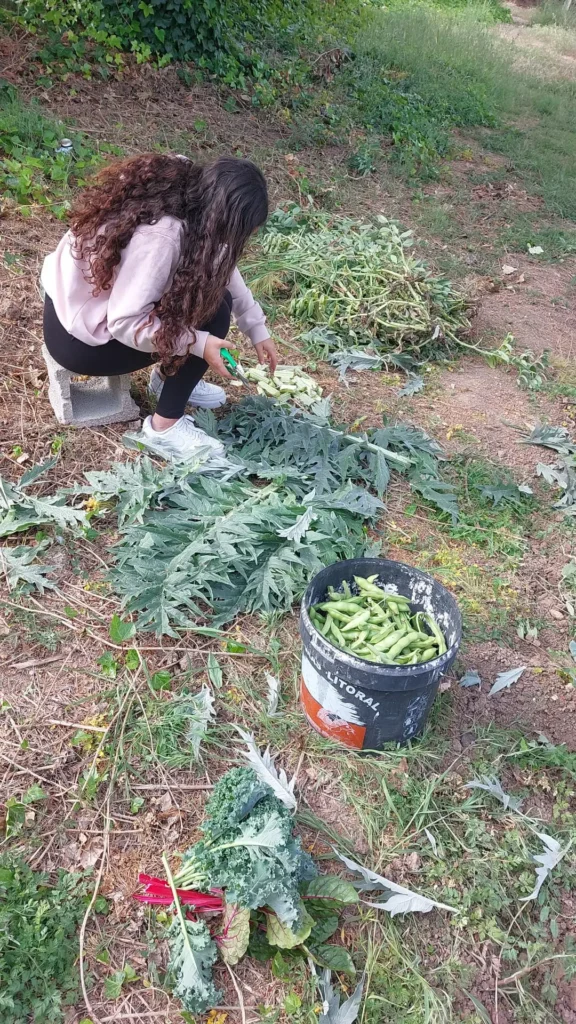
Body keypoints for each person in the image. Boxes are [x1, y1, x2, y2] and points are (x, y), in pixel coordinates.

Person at [41, 153, 278, 460]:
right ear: (227, 221)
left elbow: (222, 263)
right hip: (80, 340)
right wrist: (199, 344)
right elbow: (125, 322)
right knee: (214, 311)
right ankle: (164, 427)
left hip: (80, 306)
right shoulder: (162, 237)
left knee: (213, 295)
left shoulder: (189, 194)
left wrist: (256, 327)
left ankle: (166, 382)